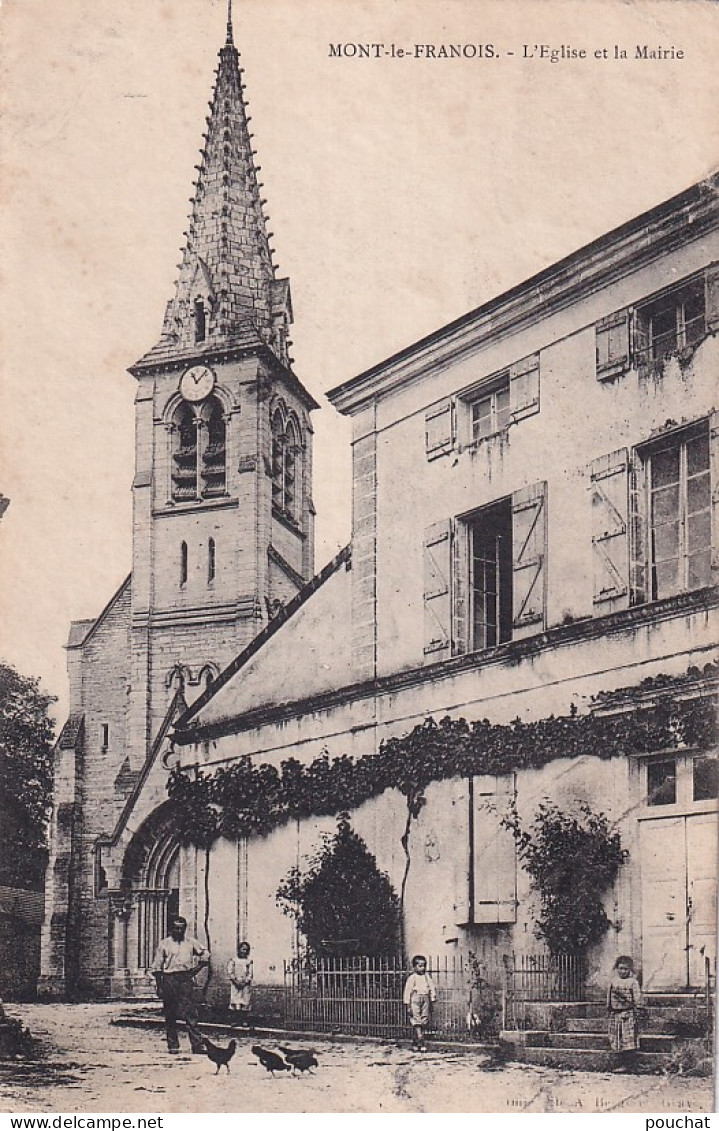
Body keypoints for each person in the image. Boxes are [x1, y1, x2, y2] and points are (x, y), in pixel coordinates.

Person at [151, 915, 210, 1054]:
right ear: (171, 929)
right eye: (176, 928)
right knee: (170, 1013)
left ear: (185, 929)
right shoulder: (164, 944)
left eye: (182, 928)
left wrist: (197, 968)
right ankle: (173, 1045)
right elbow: (157, 967)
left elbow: (205, 954)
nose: (179, 931)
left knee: (191, 1012)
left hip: (185, 979)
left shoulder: (191, 943)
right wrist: (160, 986)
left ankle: (197, 1044)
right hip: (169, 979)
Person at [607, 955, 642, 1072]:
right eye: (620, 968)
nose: (623, 971)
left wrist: (638, 1008)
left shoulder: (633, 982)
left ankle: (629, 1064)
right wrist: (609, 1008)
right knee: (617, 1038)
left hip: (628, 1015)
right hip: (616, 1014)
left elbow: (637, 998)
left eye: (626, 969)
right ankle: (620, 1063)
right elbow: (609, 997)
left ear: (630, 970)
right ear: (616, 969)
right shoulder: (613, 982)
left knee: (628, 1039)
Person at [403, 954, 437, 1051]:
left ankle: (415, 1040)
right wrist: (408, 1004)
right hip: (415, 998)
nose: (423, 968)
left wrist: (432, 999)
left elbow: (432, 987)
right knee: (416, 1018)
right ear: (414, 967)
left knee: (424, 1019)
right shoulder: (412, 978)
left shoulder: (427, 977)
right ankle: (421, 1040)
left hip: (425, 998)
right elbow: (407, 991)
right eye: (420, 966)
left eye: (424, 965)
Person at [227, 941, 253, 1020]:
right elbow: (230, 972)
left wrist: (245, 982)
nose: (244, 952)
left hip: (245, 985)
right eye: (243, 949)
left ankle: (244, 1020)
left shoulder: (249, 961)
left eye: (246, 950)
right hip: (236, 985)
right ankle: (236, 1020)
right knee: (236, 1002)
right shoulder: (233, 960)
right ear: (239, 950)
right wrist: (235, 981)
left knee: (245, 1002)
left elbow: (250, 974)